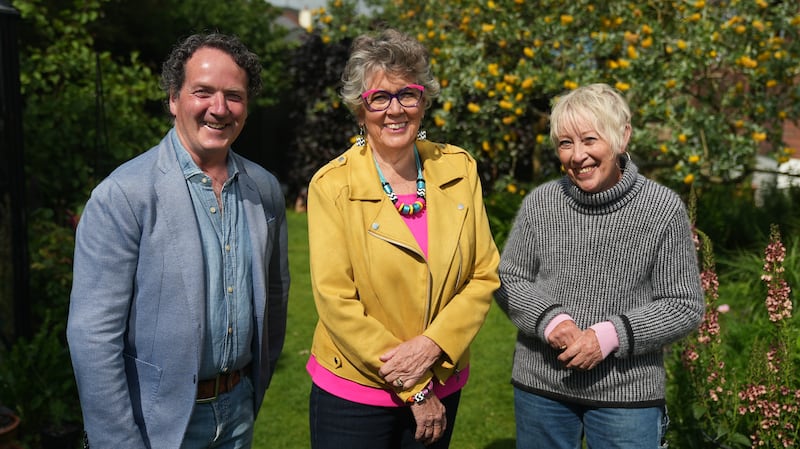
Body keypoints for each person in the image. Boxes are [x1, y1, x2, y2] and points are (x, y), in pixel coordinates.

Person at [67, 33, 290, 449]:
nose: (219, 109)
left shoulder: (264, 189)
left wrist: (252, 389)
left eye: (234, 96)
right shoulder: (124, 195)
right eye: (202, 92)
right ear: (174, 99)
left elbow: (274, 300)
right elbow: (92, 337)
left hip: (238, 411)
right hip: (156, 424)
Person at [305, 28, 500, 449]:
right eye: (379, 97)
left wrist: (434, 345)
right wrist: (416, 388)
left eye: (407, 94)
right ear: (361, 110)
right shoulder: (332, 184)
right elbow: (336, 301)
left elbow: (484, 274)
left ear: (423, 101)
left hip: (444, 379)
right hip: (355, 393)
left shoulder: (459, 169)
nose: (395, 110)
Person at [494, 83, 704, 449]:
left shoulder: (663, 209)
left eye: (590, 140)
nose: (577, 156)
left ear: (622, 137)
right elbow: (509, 278)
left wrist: (608, 336)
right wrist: (551, 322)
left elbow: (683, 305)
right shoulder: (541, 203)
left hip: (627, 394)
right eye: (565, 143)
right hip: (542, 387)